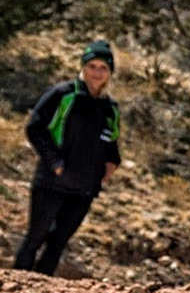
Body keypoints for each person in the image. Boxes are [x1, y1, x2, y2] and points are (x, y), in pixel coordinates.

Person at [13, 40, 122, 276]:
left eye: (103, 68)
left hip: (84, 188)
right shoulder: (63, 94)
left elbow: (110, 142)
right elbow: (35, 127)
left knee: (58, 243)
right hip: (52, 182)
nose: (97, 72)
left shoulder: (110, 108)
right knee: (35, 238)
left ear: (110, 73)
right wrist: (55, 163)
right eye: (92, 66)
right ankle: (13, 292)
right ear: (83, 67)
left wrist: (112, 164)